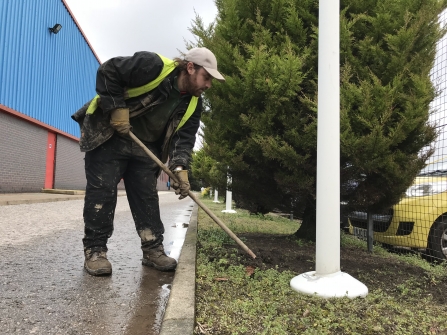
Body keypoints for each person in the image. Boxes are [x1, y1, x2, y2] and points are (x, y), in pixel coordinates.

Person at [72, 47, 225, 276]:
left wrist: (180, 168)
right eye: (207, 77)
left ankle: (153, 249)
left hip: (146, 148)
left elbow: (184, 139)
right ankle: (95, 251)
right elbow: (108, 71)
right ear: (190, 68)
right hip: (111, 136)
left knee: (147, 198)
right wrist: (116, 108)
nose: (208, 85)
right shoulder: (152, 66)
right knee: (102, 192)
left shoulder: (194, 103)